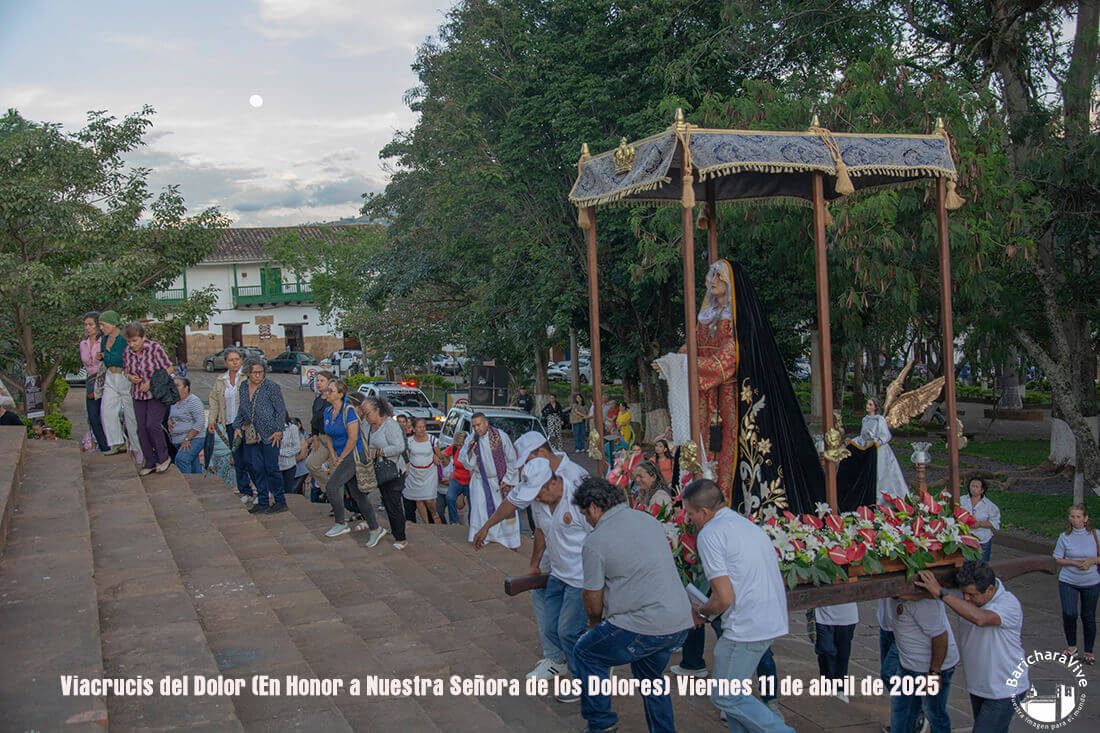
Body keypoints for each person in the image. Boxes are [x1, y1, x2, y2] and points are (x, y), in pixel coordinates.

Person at [571, 477, 692, 731]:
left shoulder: (596, 541)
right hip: (678, 620)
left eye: (585, 514)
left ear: (594, 507)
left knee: (586, 651)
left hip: (641, 624)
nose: (586, 521)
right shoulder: (648, 520)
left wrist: (595, 625)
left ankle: (600, 723)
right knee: (650, 679)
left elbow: (592, 599)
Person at [684, 478, 793, 733]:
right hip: (768, 616)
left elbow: (723, 598)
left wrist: (700, 612)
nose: (689, 520)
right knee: (735, 696)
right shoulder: (744, 524)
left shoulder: (710, 533)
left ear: (705, 512)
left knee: (726, 697)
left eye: (690, 514)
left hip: (746, 624)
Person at [508, 458, 592, 698]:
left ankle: (584, 682)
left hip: (582, 578)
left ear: (552, 484)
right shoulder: (540, 501)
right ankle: (567, 662)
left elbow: (600, 538)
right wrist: (534, 565)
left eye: (537, 494)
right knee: (552, 629)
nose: (534, 499)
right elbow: (541, 531)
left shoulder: (580, 498)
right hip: (557, 574)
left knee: (567, 631)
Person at [914, 562, 1028, 733]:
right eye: (964, 593)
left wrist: (941, 592)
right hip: (980, 686)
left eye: (971, 595)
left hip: (1005, 689)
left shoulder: (1008, 604)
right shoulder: (967, 596)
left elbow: (980, 618)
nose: (966, 598)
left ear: (990, 589)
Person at [322, 385, 387, 547]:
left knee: (332, 486)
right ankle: (375, 528)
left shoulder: (349, 411)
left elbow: (353, 438)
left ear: (340, 394)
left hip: (353, 455)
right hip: (341, 455)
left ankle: (340, 523)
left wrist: (341, 458)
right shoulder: (328, 412)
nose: (327, 393)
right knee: (357, 495)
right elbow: (328, 434)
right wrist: (333, 454)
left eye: (331, 390)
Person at [889, 592, 960, 733]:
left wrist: (934, 672)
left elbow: (940, 636)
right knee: (901, 713)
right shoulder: (900, 597)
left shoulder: (924, 602)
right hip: (908, 665)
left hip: (932, 666)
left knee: (935, 715)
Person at [232, 358, 288, 514]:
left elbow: (280, 410)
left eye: (261, 372)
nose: (258, 375)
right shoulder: (243, 386)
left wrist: (278, 430)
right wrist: (237, 425)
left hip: (270, 434)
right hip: (252, 434)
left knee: (271, 468)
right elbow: (242, 409)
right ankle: (263, 500)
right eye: (255, 372)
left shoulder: (271, 387)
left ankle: (280, 501)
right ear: (248, 373)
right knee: (256, 467)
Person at [460, 412, 520, 549]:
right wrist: (470, 451)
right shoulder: (471, 439)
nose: (476, 429)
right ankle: (483, 537)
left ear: (486, 423)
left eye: (478, 425)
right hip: (480, 481)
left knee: (502, 509)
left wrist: (507, 479)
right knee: (480, 509)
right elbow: (467, 464)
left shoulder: (500, 436)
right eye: (474, 426)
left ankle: (505, 540)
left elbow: (511, 459)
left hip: (499, 481)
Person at [121, 322, 174, 476]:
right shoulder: (127, 352)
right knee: (141, 428)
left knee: (153, 424)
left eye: (135, 341)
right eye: (129, 342)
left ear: (143, 337)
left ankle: (164, 457)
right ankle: (149, 461)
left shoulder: (155, 348)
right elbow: (125, 370)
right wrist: (130, 377)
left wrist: (150, 383)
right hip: (138, 394)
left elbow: (169, 368)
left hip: (156, 393)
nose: (132, 344)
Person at [1053, 503, 1099, 665]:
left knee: (1088, 616)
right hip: (1068, 581)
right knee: (1069, 613)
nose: (1075, 520)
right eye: (1072, 516)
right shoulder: (1064, 537)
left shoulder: (1096, 535)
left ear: (1086, 519)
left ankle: (1089, 652)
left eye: (1079, 516)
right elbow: (1058, 558)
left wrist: (1092, 561)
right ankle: (1072, 647)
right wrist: (1073, 563)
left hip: (1091, 582)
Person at [361, 395, 408, 549]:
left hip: (392, 470)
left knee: (392, 503)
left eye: (367, 413)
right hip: (375, 469)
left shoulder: (390, 425)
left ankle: (400, 537)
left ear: (377, 410)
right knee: (363, 494)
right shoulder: (367, 425)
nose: (365, 416)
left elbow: (399, 447)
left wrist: (379, 452)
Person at [208, 349, 253, 503]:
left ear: (241, 360)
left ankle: (259, 489)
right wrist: (212, 420)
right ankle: (244, 490)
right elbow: (213, 400)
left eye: (237, 359)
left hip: (247, 424)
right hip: (229, 423)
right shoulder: (222, 380)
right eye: (231, 359)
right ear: (226, 362)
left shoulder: (247, 376)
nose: (234, 362)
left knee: (250, 457)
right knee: (238, 458)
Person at [96, 310, 139, 457]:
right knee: (106, 410)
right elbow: (107, 356)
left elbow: (125, 357)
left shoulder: (123, 338)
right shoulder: (104, 339)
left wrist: (107, 356)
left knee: (130, 414)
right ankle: (117, 442)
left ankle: (137, 447)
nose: (101, 327)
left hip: (124, 376)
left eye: (103, 324)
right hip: (110, 376)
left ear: (113, 323)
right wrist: (102, 356)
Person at [852, 397, 908, 501]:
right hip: (868, 449)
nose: (867, 406)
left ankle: (884, 498)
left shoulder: (879, 419)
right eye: (867, 404)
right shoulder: (865, 419)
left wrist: (878, 442)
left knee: (881, 473)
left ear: (875, 407)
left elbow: (886, 435)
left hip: (879, 450)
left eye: (870, 405)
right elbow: (863, 436)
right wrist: (854, 442)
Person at [814, 602, 858, 703]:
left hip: (847, 616)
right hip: (823, 614)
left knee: (843, 655)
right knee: (826, 651)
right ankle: (828, 686)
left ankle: (840, 688)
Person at [403, 417, 444, 523]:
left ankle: (435, 515)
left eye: (424, 427)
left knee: (429, 500)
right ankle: (426, 524)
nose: (422, 429)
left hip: (429, 473)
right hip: (415, 474)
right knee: (419, 499)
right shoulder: (409, 441)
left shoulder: (432, 439)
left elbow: (440, 456)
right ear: (414, 429)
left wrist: (436, 456)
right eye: (419, 427)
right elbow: (407, 458)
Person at [79, 312, 109, 452]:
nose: (87, 327)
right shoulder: (83, 344)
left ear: (97, 325)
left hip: (105, 379)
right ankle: (104, 446)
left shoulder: (104, 341)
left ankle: (113, 443)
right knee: (93, 416)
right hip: (91, 380)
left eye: (90, 324)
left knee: (107, 414)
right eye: (85, 325)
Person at [304, 371, 334, 500]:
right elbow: (314, 420)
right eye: (317, 381)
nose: (319, 383)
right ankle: (328, 488)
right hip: (321, 438)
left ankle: (336, 502)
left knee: (334, 472)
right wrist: (315, 437)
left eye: (322, 381)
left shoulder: (334, 400)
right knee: (311, 463)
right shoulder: (317, 400)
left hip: (333, 440)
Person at [168, 377, 204, 474]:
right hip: (177, 439)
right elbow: (170, 415)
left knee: (182, 459)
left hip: (193, 438)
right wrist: (168, 420)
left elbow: (200, 422)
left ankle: (187, 486)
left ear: (186, 388)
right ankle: (197, 485)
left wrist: (187, 439)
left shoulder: (194, 401)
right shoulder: (173, 402)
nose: (174, 388)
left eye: (177, 385)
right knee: (194, 464)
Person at [961, 478, 1001, 562]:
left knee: (981, 567)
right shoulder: (962, 500)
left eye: (976, 487)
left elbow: (995, 522)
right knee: (965, 565)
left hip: (982, 539)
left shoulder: (990, 506)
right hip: (965, 539)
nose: (973, 489)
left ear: (982, 490)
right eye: (972, 486)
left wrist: (980, 524)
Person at [443, 430, 470, 524]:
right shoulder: (454, 448)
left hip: (469, 481)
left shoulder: (471, 449)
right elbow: (443, 454)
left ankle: (472, 523)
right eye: (457, 445)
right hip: (457, 479)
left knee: (472, 504)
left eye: (461, 445)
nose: (459, 447)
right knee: (450, 497)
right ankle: (453, 521)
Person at [278, 414, 302, 495]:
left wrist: (281, 453)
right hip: (275, 466)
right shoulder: (269, 428)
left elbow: (297, 447)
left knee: (288, 492)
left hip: (289, 465)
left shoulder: (292, 428)